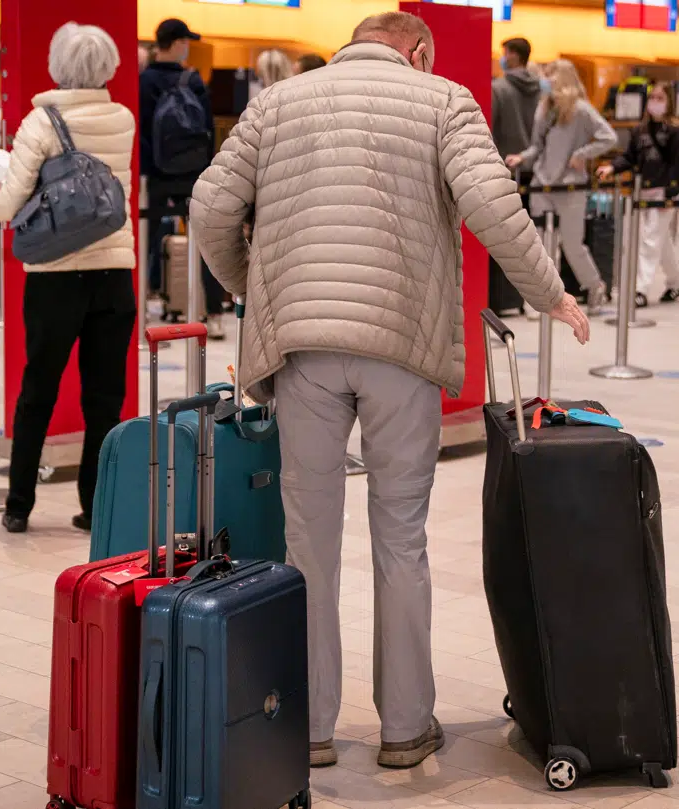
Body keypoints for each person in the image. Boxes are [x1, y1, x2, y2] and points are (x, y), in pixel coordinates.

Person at [189, 11, 590, 772]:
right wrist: (550, 293)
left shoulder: (277, 102)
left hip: (302, 349)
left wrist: (258, 290)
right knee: (401, 537)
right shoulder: (442, 100)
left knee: (307, 542)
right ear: (419, 50)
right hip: (401, 345)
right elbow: (492, 208)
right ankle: (406, 728)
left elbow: (210, 206)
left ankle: (307, 728)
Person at [0, 22, 135, 535]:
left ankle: (19, 503)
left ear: (57, 65)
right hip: (114, 273)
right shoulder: (123, 118)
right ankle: (96, 507)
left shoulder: (41, 123)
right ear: (108, 66)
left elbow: (9, 202)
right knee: (105, 398)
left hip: (55, 277)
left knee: (38, 389)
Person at [505, 60, 617, 307]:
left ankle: (594, 286)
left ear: (563, 78)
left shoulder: (581, 110)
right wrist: (522, 157)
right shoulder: (544, 109)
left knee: (572, 244)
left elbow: (609, 137)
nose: (545, 81)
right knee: (541, 244)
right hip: (542, 184)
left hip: (570, 187)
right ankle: (544, 297)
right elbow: (537, 145)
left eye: (549, 75)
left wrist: (583, 154)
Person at [139, 18, 226, 338]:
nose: (188, 47)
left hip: (156, 176)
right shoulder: (193, 80)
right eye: (185, 41)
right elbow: (206, 128)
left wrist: (149, 168)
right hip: (193, 175)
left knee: (147, 240)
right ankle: (213, 313)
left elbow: (143, 132)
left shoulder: (144, 81)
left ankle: (141, 308)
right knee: (205, 244)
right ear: (175, 43)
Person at [597, 83, 679, 306]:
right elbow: (630, 157)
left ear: (669, 101)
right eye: (653, 97)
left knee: (649, 240)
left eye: (660, 98)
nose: (655, 102)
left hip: (663, 192)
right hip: (643, 191)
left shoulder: (676, 133)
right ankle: (676, 283)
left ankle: (641, 289)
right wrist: (612, 167)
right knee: (660, 240)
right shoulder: (640, 131)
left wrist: (671, 193)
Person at [491, 37, 540, 162]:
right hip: (534, 162)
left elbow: (490, 124)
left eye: (505, 53)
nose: (503, 58)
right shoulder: (540, 88)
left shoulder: (498, 88)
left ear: (514, 55)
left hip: (506, 161)